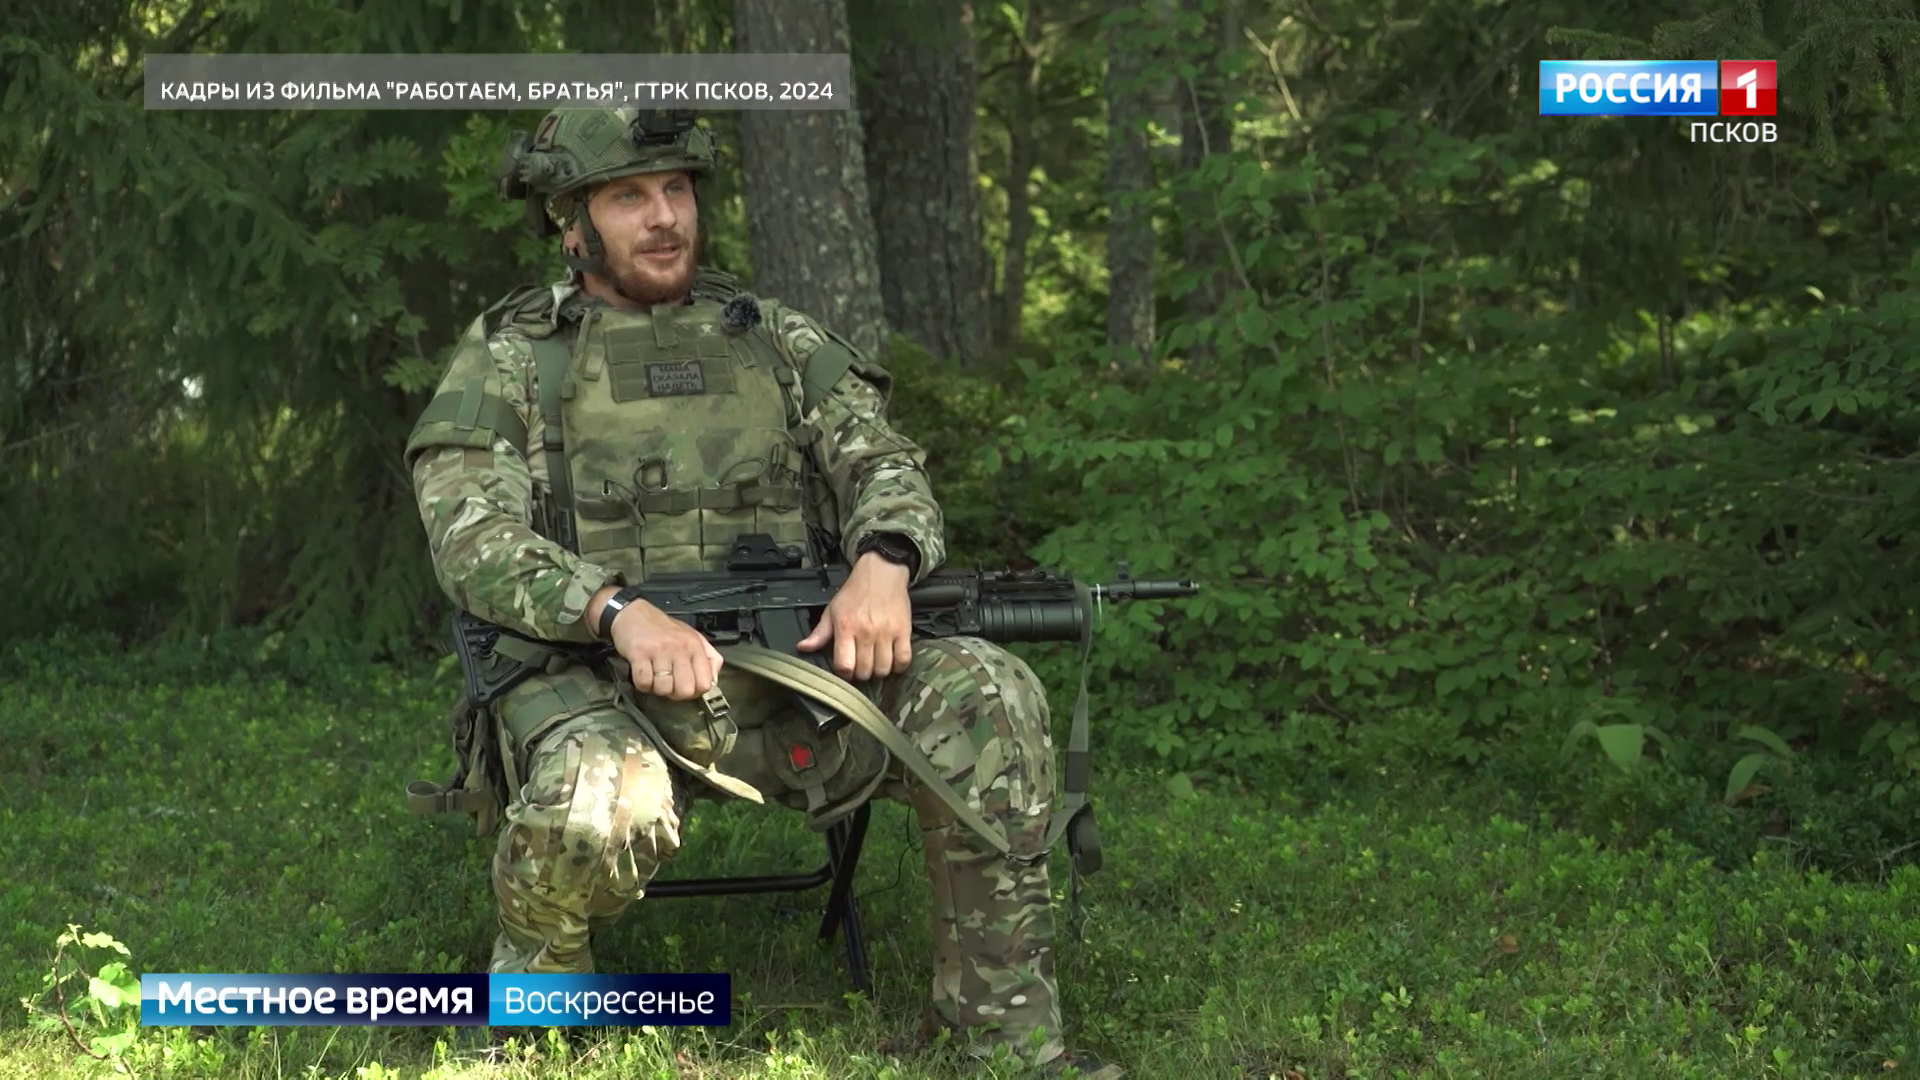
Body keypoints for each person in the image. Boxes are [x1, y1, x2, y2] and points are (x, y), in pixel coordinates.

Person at [403, 107, 1120, 1078]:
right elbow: (469, 538)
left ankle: (1007, 1039)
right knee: (593, 800)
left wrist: (885, 561)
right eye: (629, 197)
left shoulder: (772, 338)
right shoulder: (512, 358)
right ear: (571, 224)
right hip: (601, 685)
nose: (664, 217)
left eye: (676, 189)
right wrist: (612, 611)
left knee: (989, 693)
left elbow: (885, 463)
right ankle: (537, 1022)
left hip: (802, 671)